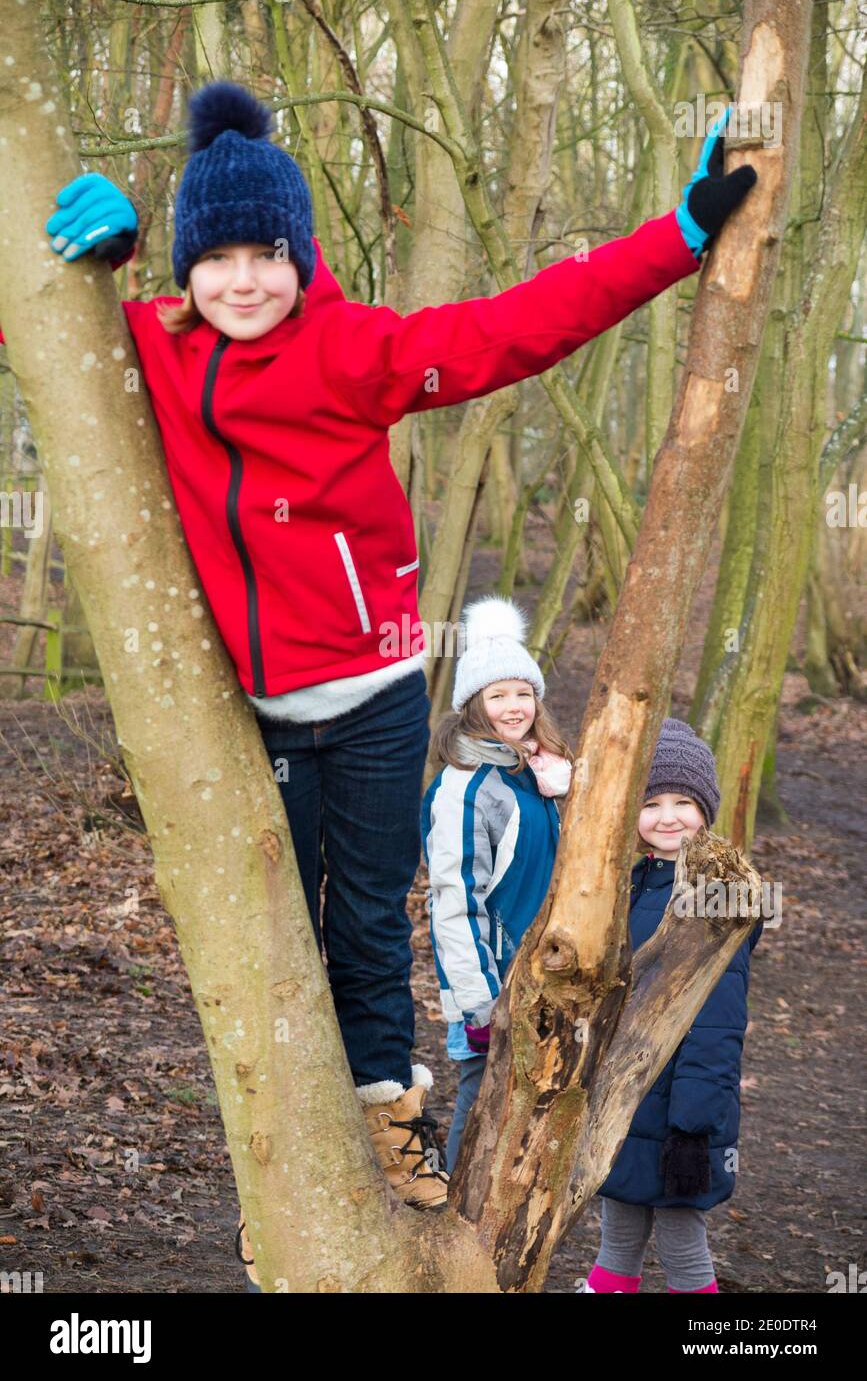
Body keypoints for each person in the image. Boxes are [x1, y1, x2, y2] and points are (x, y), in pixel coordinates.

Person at [37, 81, 756, 1288]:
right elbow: (27, 321)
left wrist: (678, 239)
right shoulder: (154, 347)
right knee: (272, 936)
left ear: (302, 257)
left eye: (266, 253)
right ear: (185, 266)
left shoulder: (357, 350)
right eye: (214, 258)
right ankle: (282, 1172)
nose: (242, 280)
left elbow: (520, 324)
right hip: (246, 709)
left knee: (366, 920)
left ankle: (387, 1111)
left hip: (370, 698)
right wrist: (82, 258)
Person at [580, 718, 763, 1294]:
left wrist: (693, 1128)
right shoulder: (629, 884)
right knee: (618, 1236)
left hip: (681, 1114)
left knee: (683, 1247)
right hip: (625, 1102)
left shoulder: (715, 897)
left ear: (706, 808)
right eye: (652, 801)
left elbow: (717, 1022)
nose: (667, 816)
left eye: (683, 801)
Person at [421, 597, 572, 1171]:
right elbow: (455, 901)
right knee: (482, 1097)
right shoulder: (466, 787)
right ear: (474, 706)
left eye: (523, 692)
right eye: (498, 695)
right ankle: (453, 1225)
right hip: (495, 983)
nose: (514, 706)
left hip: (547, 974)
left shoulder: (537, 777)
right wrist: (481, 1004)